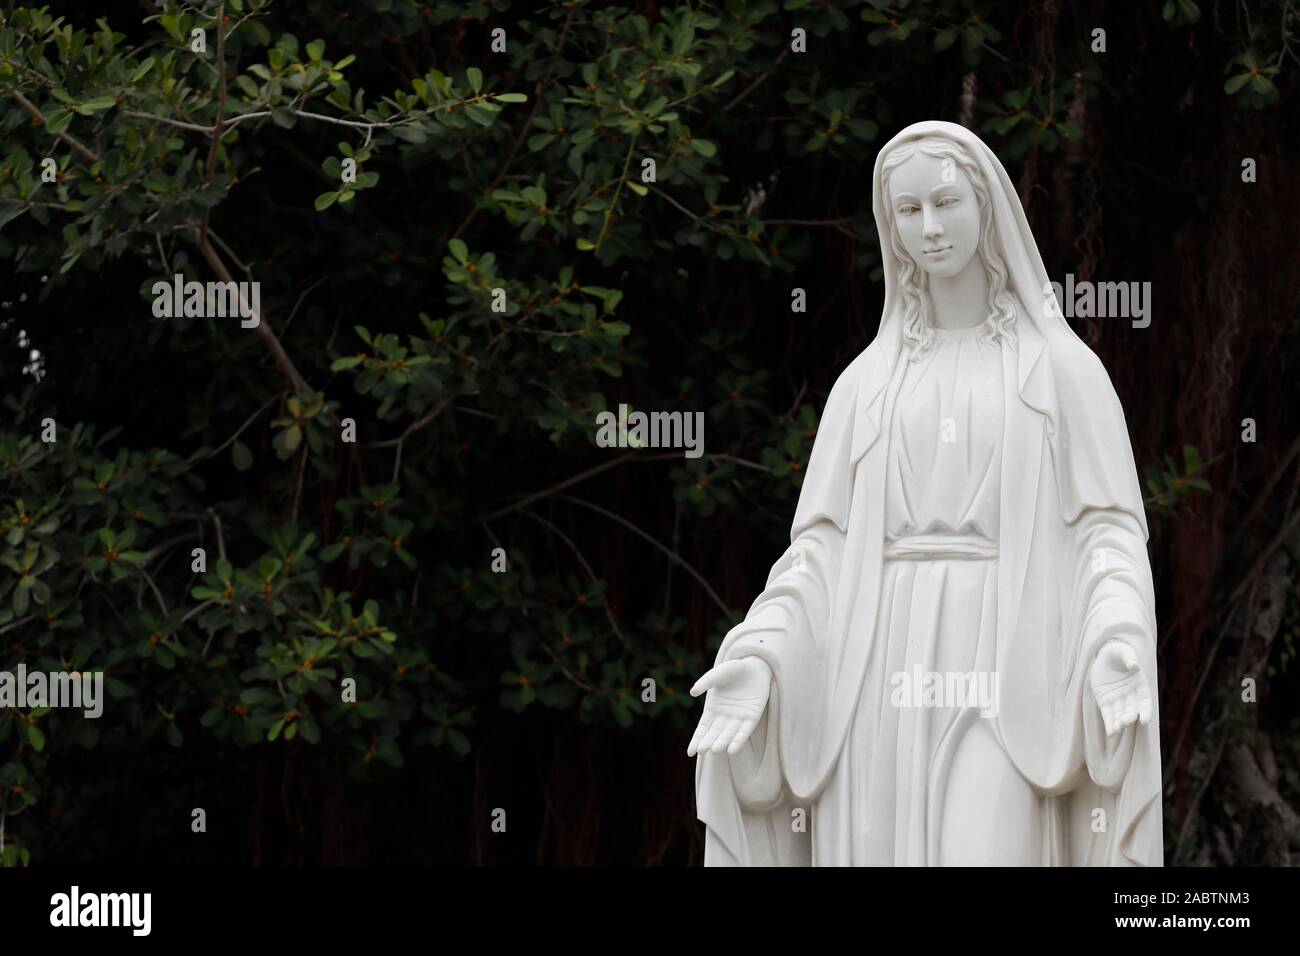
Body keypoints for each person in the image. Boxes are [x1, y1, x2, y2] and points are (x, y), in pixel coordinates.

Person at [688, 120, 1162, 866]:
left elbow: (1106, 534)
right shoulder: (866, 387)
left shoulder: (1061, 374)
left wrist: (1116, 636)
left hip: (1009, 666)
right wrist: (765, 656)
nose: (930, 228)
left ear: (987, 204)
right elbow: (817, 559)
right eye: (908, 211)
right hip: (875, 666)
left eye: (946, 202)